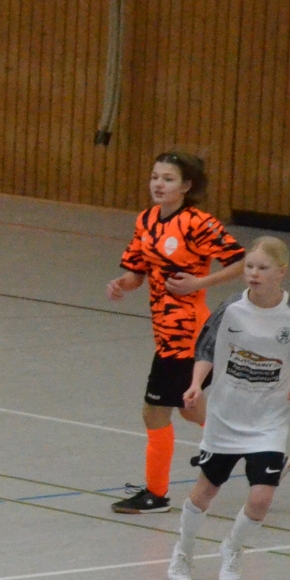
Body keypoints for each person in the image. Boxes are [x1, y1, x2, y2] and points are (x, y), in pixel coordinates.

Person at [168, 237, 290, 580]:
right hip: (225, 416)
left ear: (281, 272)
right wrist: (196, 384)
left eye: (263, 268)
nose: (254, 273)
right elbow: (205, 349)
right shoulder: (230, 309)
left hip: (269, 419)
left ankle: (232, 549)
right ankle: (183, 552)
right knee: (205, 491)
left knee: (261, 497)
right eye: (249, 267)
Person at [106, 151, 246, 513]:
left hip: (186, 335)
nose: (158, 184)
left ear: (186, 186)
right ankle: (263, 454)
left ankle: (156, 494)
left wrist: (200, 282)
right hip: (165, 331)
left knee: (154, 412)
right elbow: (137, 272)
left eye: (168, 179)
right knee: (190, 409)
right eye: (155, 177)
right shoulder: (147, 220)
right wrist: (122, 284)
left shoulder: (198, 223)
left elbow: (242, 261)